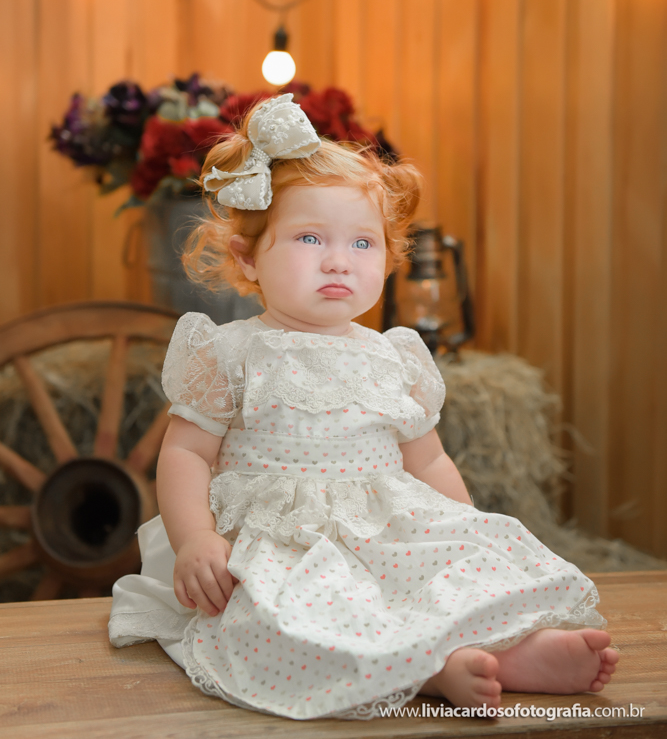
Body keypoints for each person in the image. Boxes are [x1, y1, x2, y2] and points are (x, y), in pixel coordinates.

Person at [109, 93, 618, 719]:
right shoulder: (231, 351)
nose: (337, 261)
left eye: (362, 244)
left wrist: (466, 529)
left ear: (388, 257)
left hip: (384, 528)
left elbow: (427, 462)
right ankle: (432, 670)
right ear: (248, 257)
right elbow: (186, 452)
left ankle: (513, 648)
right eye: (309, 238)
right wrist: (195, 539)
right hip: (281, 540)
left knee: (446, 577)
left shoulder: (393, 356)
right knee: (280, 617)